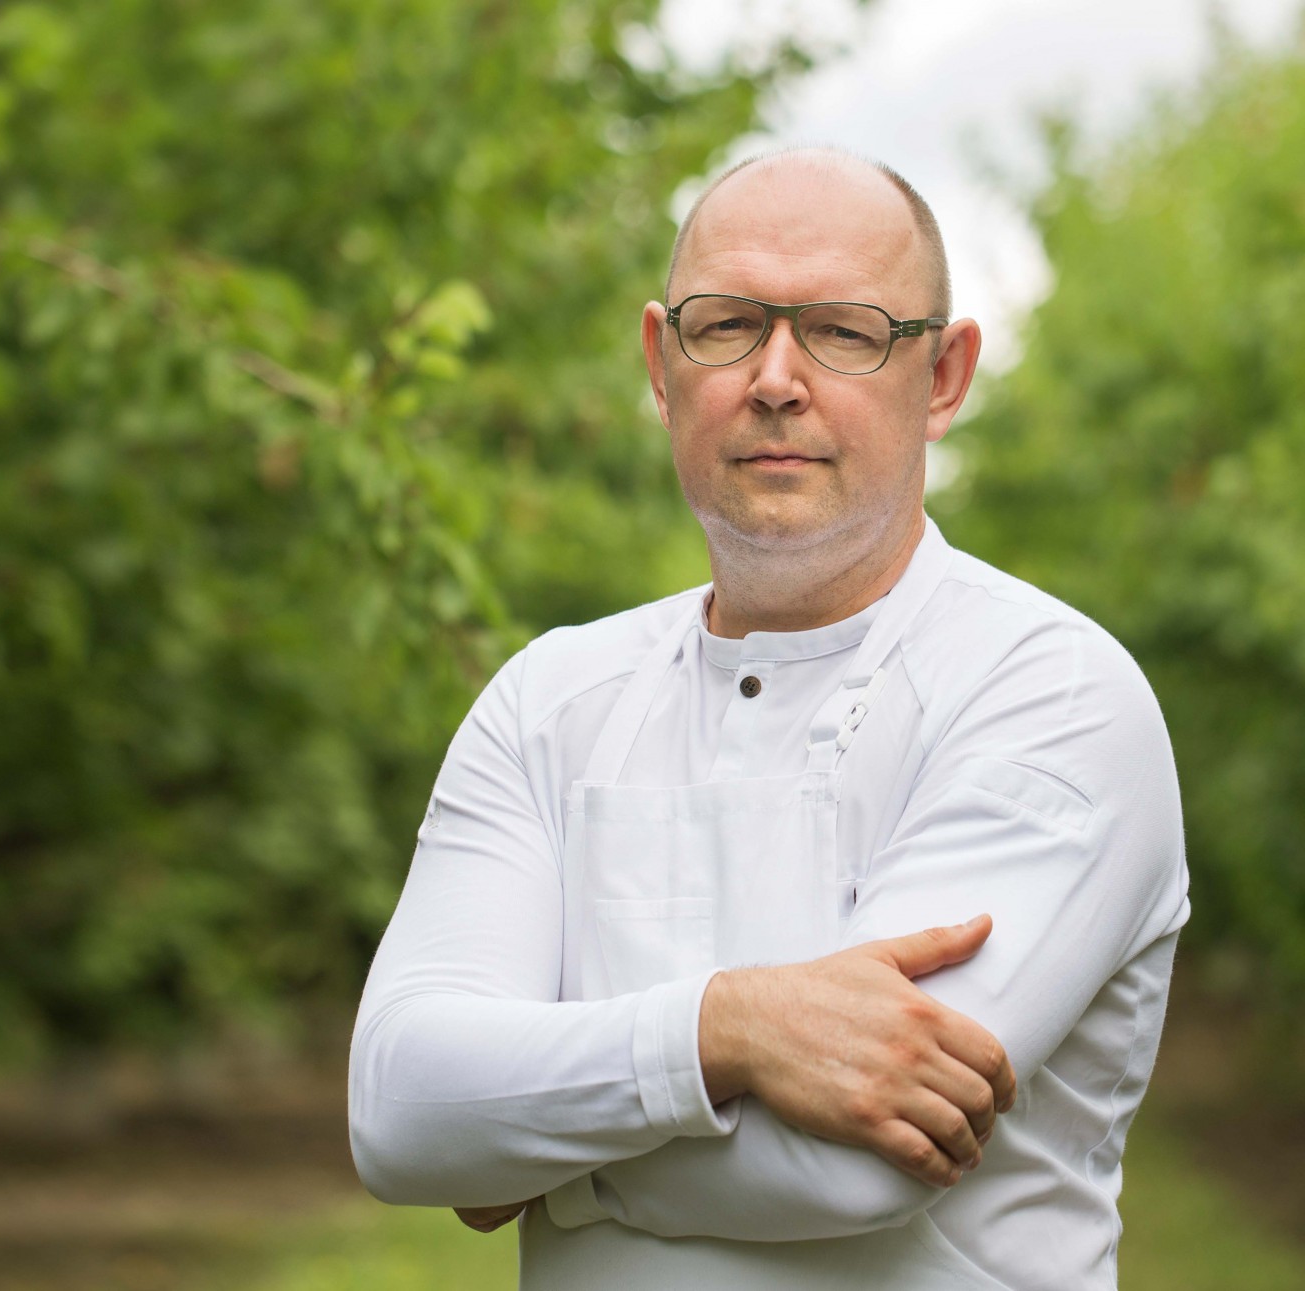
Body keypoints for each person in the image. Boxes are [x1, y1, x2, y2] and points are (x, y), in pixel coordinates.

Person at [346, 148, 1190, 1291]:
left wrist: (535, 1148)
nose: (776, 378)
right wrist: (725, 1030)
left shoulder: (1047, 691)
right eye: (728, 325)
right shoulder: (549, 699)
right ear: (660, 364)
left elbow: (853, 1165)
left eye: (842, 331)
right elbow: (399, 1111)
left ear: (942, 376)